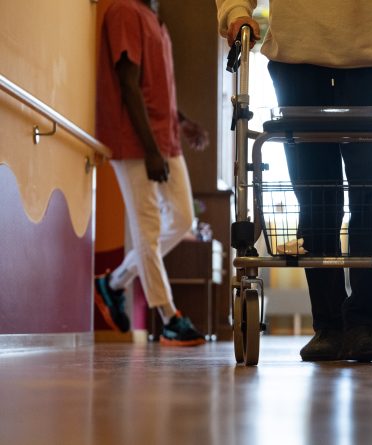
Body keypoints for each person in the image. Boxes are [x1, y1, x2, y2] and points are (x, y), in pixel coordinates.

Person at [217, 0, 372, 362]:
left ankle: (366, 323)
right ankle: (328, 325)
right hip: (297, 56)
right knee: (313, 189)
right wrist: (235, 11)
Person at [95, 0, 209, 346]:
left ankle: (113, 282)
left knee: (183, 219)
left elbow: (153, 89)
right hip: (134, 141)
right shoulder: (124, 12)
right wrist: (149, 149)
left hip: (164, 138)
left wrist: (182, 121)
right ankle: (169, 315)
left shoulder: (155, 20)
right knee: (149, 228)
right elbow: (128, 84)